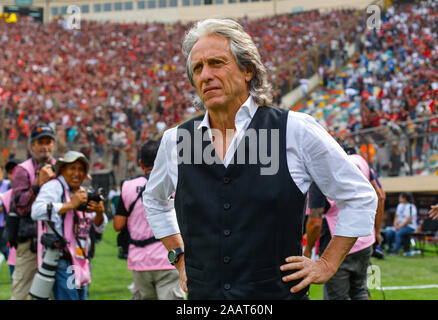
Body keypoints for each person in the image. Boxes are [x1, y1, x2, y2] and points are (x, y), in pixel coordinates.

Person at [143, 18, 377, 300]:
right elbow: (154, 201)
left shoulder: (295, 129)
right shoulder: (175, 142)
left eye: (217, 63)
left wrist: (327, 263)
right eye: (197, 68)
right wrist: (178, 255)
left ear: (247, 70)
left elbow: (360, 195)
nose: (205, 75)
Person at [304, 153, 385, 300]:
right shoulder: (361, 160)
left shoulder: (320, 171)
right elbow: (379, 196)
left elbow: (315, 222)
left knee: (337, 296)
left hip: (338, 241)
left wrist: (308, 250)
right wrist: (377, 231)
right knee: (360, 291)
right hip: (365, 239)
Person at [113, 140, 185, 300]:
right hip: (171, 255)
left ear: (140, 163)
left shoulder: (128, 186)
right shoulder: (175, 183)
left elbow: (118, 225)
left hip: (139, 261)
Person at [31, 151, 107, 300]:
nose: (77, 174)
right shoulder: (54, 186)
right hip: (63, 260)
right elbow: (36, 211)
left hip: (81, 260)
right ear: (62, 170)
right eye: (72, 168)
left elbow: (98, 227)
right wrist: (70, 204)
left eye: (80, 170)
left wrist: (99, 212)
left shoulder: (82, 191)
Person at [9, 124, 57, 300]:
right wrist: (37, 185)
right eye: (40, 142)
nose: (45, 146)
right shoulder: (23, 170)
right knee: (22, 292)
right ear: (32, 145)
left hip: (54, 241)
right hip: (30, 243)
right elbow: (20, 206)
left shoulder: (61, 167)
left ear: (53, 144)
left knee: (54, 293)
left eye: (48, 142)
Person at [0, 159, 20, 280]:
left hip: (4, 226)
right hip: (10, 232)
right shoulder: (8, 194)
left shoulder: (7, 186)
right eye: (11, 172)